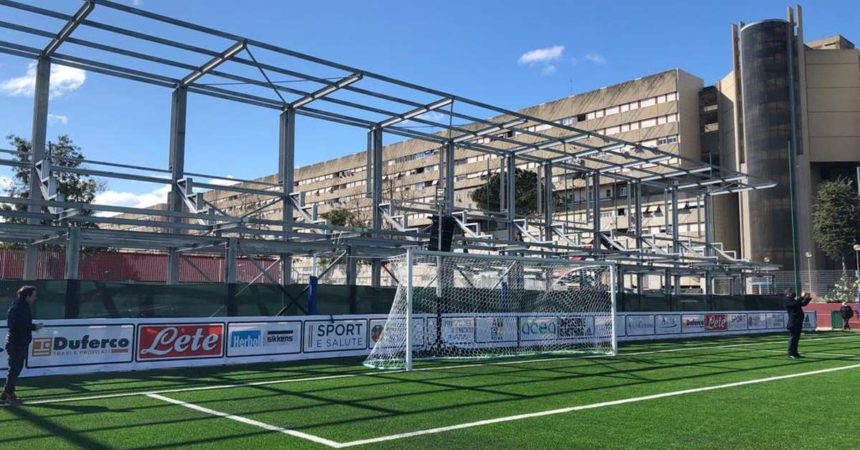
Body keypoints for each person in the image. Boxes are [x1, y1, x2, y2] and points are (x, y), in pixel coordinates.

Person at [2, 286, 43, 406]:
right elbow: (13, 325)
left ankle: (6, 393)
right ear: (27, 296)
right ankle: (10, 395)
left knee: (16, 369)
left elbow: (22, 324)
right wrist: (33, 327)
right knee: (15, 369)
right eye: (34, 295)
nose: (35, 298)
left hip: (20, 343)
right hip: (15, 344)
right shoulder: (16, 308)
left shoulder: (23, 307)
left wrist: (32, 326)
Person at [784, 288, 811, 359]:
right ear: (788, 293)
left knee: (796, 338)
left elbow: (802, 304)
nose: (793, 293)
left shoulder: (794, 300)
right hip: (793, 322)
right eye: (791, 292)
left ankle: (795, 353)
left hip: (798, 322)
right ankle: (790, 353)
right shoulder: (787, 300)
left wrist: (807, 298)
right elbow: (794, 304)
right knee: (793, 338)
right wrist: (801, 297)